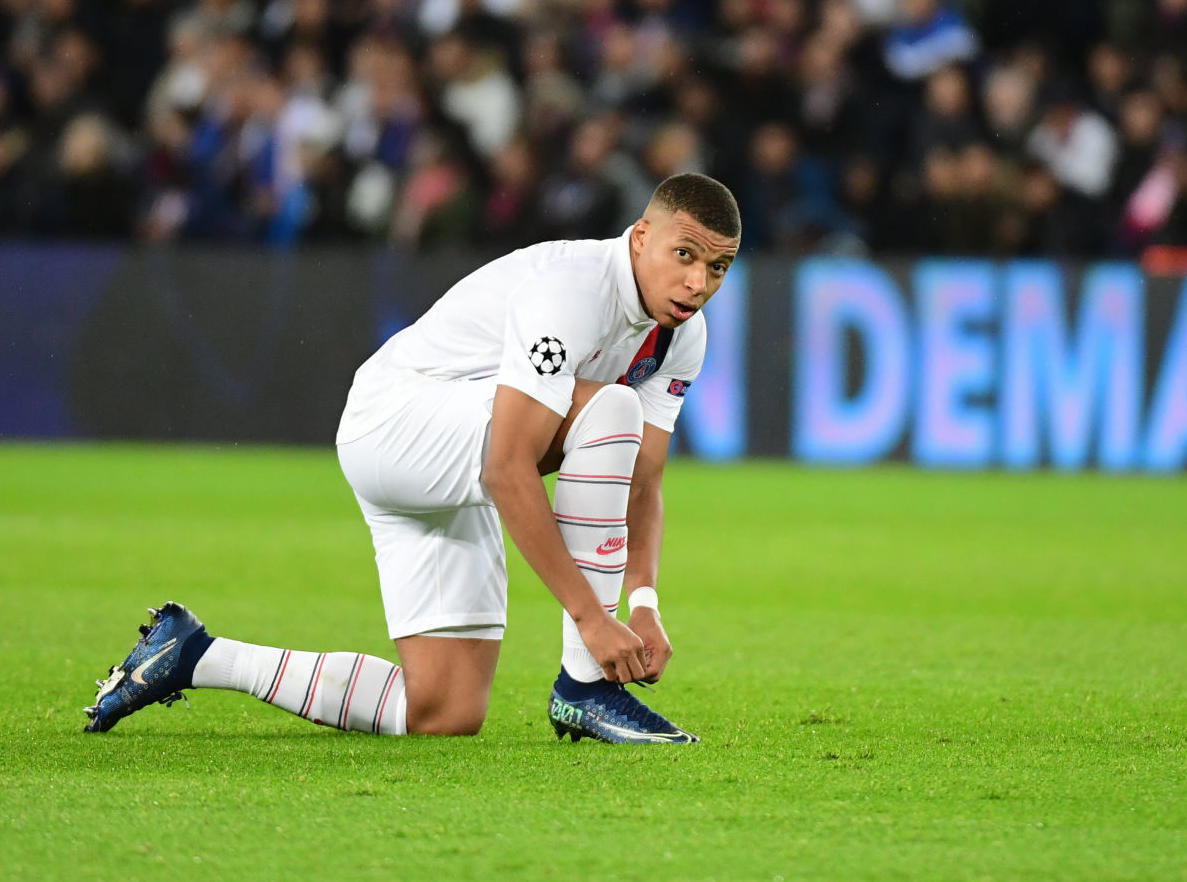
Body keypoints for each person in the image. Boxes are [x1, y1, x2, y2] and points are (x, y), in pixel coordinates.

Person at [81, 173, 741, 744]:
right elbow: (507, 467)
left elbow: (642, 480)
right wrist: (593, 621)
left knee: (443, 710)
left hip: (452, 453)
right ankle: (586, 688)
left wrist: (644, 602)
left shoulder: (683, 335)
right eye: (684, 254)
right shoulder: (573, 291)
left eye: (717, 267)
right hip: (396, 421)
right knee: (611, 409)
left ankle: (193, 654)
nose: (697, 281)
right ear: (640, 237)